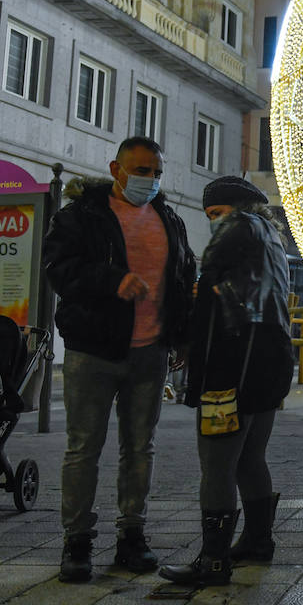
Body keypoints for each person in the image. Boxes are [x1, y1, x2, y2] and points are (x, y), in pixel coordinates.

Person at [43, 137, 196, 582]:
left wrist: (181, 336)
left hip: (150, 350)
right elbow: (58, 268)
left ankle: (132, 535)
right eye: (141, 170)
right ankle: (77, 542)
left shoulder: (168, 218)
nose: (149, 179)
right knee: (83, 449)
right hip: (94, 349)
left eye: (156, 172)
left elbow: (184, 276)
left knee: (139, 449)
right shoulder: (81, 217)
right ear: (116, 168)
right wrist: (112, 280)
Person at [159, 177, 294, 586]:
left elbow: (206, 299)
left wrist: (188, 326)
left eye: (216, 213)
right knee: (252, 458)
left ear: (233, 208)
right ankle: (258, 540)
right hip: (270, 360)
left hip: (230, 364)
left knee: (217, 465)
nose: (214, 222)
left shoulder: (237, 228)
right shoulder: (272, 236)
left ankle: (213, 561)